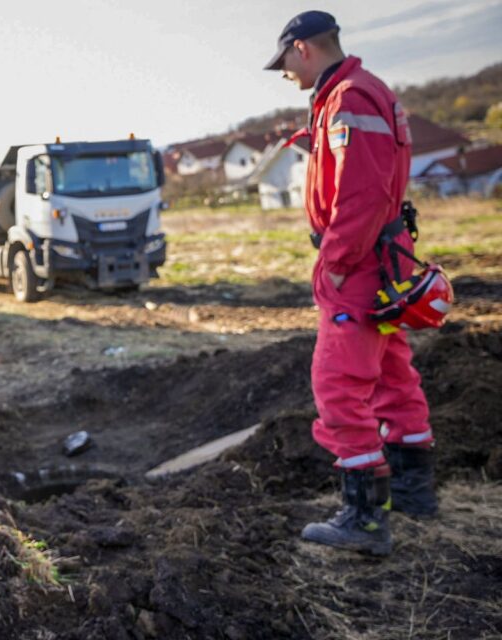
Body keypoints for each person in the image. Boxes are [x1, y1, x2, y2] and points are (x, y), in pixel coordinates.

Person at [265, 11, 433, 556]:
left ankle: (364, 520)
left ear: (302, 48)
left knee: (337, 385)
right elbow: (368, 173)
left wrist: (333, 263)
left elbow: (361, 195)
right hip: (384, 256)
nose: (284, 71)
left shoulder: (350, 100)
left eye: (284, 61)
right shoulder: (362, 92)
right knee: (390, 373)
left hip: (359, 262)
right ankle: (412, 492)